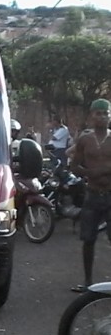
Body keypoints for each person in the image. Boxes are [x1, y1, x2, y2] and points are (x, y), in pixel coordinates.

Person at [70, 99, 111, 293]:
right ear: (91, 116)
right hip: (92, 194)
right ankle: (88, 283)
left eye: (106, 113)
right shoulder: (85, 140)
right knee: (88, 239)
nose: (102, 117)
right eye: (99, 113)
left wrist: (106, 169)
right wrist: (90, 173)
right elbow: (74, 166)